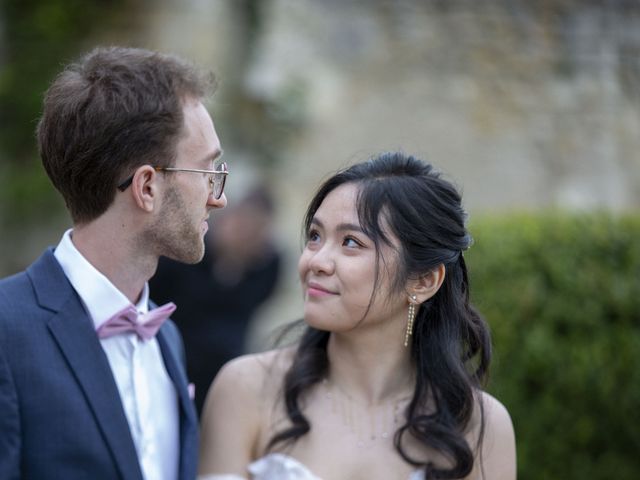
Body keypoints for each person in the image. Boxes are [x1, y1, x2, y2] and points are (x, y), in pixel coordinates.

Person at [198, 152, 516, 479]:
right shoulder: (247, 388)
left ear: (423, 281)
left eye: (351, 242)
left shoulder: (480, 426)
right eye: (315, 237)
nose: (316, 261)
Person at [0, 46, 227, 480]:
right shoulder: (6, 332)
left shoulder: (168, 341)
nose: (219, 197)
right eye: (207, 172)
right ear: (147, 187)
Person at [151, 183, 282, 415]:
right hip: (171, 360)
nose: (246, 237)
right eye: (243, 226)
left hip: (223, 371)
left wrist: (236, 267)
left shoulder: (268, 267)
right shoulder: (185, 254)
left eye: (255, 232)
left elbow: (252, 304)